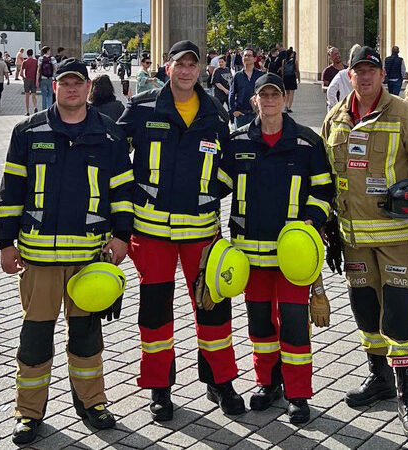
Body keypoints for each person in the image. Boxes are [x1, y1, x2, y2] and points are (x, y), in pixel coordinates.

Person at [322, 46, 408, 440]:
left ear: (382, 75)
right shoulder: (335, 118)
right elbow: (327, 177)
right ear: (349, 75)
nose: (364, 77)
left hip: (398, 240)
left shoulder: (405, 114)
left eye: (371, 71)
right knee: (366, 313)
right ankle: (379, 379)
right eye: (358, 71)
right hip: (353, 243)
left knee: (400, 315)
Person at [0, 57, 134, 445]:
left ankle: (92, 403)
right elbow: (11, 193)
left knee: (87, 337)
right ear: (54, 86)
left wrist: (122, 236)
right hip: (38, 259)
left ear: (89, 88)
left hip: (90, 259)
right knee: (35, 339)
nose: (72, 89)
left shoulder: (109, 135)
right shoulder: (28, 131)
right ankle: (28, 413)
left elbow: (122, 191)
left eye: (78, 83)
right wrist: (6, 243)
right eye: (65, 83)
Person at [118, 40, 244, 422]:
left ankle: (219, 380)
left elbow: (229, 164)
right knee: (155, 312)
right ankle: (159, 388)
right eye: (180, 64)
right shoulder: (140, 108)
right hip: (151, 231)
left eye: (193, 64)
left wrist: (208, 192)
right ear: (167, 68)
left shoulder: (215, 112)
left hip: (201, 231)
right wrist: (129, 196)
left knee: (214, 308)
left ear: (200, 69)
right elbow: (113, 157)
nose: (187, 71)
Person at [218, 73, 334, 424]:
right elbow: (217, 185)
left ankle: (298, 393)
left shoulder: (306, 141)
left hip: (291, 257)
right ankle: (269, 383)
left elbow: (324, 189)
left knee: (296, 326)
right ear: (254, 101)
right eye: (263, 95)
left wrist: (313, 220)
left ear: (285, 99)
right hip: (250, 256)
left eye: (275, 94)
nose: (268, 100)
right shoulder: (237, 141)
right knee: (261, 326)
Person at [229, 48, 264, 128]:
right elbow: (232, 93)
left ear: (255, 59)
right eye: (245, 56)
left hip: (257, 114)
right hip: (241, 115)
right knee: (240, 139)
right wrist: (233, 111)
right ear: (242, 58)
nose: (247, 57)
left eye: (249, 55)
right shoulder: (237, 76)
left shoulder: (260, 75)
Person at [327, 44, 361, 109]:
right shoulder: (365, 75)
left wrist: (336, 107)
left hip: (345, 107)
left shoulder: (342, 74)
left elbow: (330, 91)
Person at [37, 46, 57, 110]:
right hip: (50, 78)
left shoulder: (40, 58)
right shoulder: (52, 58)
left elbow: (39, 69)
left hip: (43, 78)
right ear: (48, 51)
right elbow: (55, 68)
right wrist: (55, 77)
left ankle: (44, 109)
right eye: (49, 50)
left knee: (44, 95)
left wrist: (37, 79)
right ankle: (49, 109)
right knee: (50, 94)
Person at [281, 47, 300, 112]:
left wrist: (282, 78)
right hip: (292, 77)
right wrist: (299, 78)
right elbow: (297, 70)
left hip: (286, 78)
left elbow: (282, 71)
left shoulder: (284, 61)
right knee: (292, 93)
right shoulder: (295, 61)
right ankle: (289, 107)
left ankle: (285, 106)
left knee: (287, 93)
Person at [21, 49, 38, 116]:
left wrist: (24, 78)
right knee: (33, 95)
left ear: (27, 54)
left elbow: (21, 73)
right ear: (32, 53)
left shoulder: (25, 62)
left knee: (27, 96)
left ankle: (27, 111)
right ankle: (35, 107)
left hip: (27, 80)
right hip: (34, 79)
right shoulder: (36, 61)